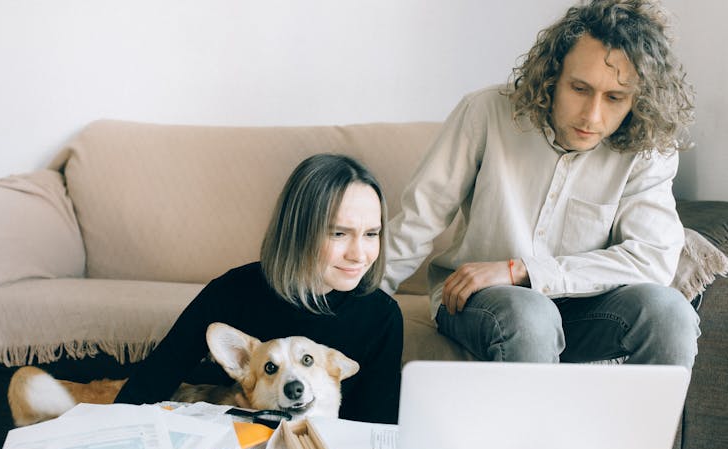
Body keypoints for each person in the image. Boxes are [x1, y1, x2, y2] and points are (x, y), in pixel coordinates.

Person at [382, 0, 699, 368]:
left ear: (637, 100)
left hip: (586, 308)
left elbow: (653, 259)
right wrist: (356, 308)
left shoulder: (648, 148)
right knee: (531, 314)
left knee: (671, 312)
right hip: (479, 301)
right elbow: (418, 221)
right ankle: (532, 429)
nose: (592, 116)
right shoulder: (486, 112)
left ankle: (641, 428)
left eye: (615, 98)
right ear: (552, 74)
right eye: (579, 88)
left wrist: (523, 270)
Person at [116, 153, 403, 424]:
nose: (359, 254)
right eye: (339, 233)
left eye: (371, 234)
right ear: (298, 232)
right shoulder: (232, 292)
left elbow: (377, 429)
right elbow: (149, 385)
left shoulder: (382, 316)